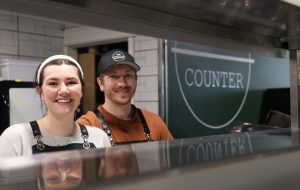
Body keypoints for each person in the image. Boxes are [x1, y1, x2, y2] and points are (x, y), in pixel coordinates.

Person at [0, 55, 111, 158]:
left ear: (81, 91)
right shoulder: (16, 137)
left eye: (71, 82)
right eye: (53, 83)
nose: (63, 91)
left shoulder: (99, 138)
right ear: (40, 92)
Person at [77, 49, 173, 145]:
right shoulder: (86, 126)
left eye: (128, 75)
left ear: (136, 79)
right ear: (101, 83)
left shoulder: (154, 122)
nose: (122, 83)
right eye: (114, 76)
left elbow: (172, 158)